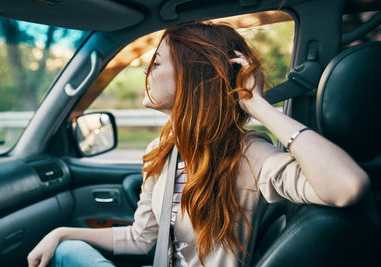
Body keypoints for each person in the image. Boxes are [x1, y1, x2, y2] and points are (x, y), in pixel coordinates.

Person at [27, 22, 370, 267]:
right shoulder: (160, 151)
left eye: (157, 62)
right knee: (66, 247)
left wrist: (259, 107)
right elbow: (141, 239)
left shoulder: (247, 154)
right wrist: (59, 231)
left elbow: (347, 186)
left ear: (193, 75)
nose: (148, 72)